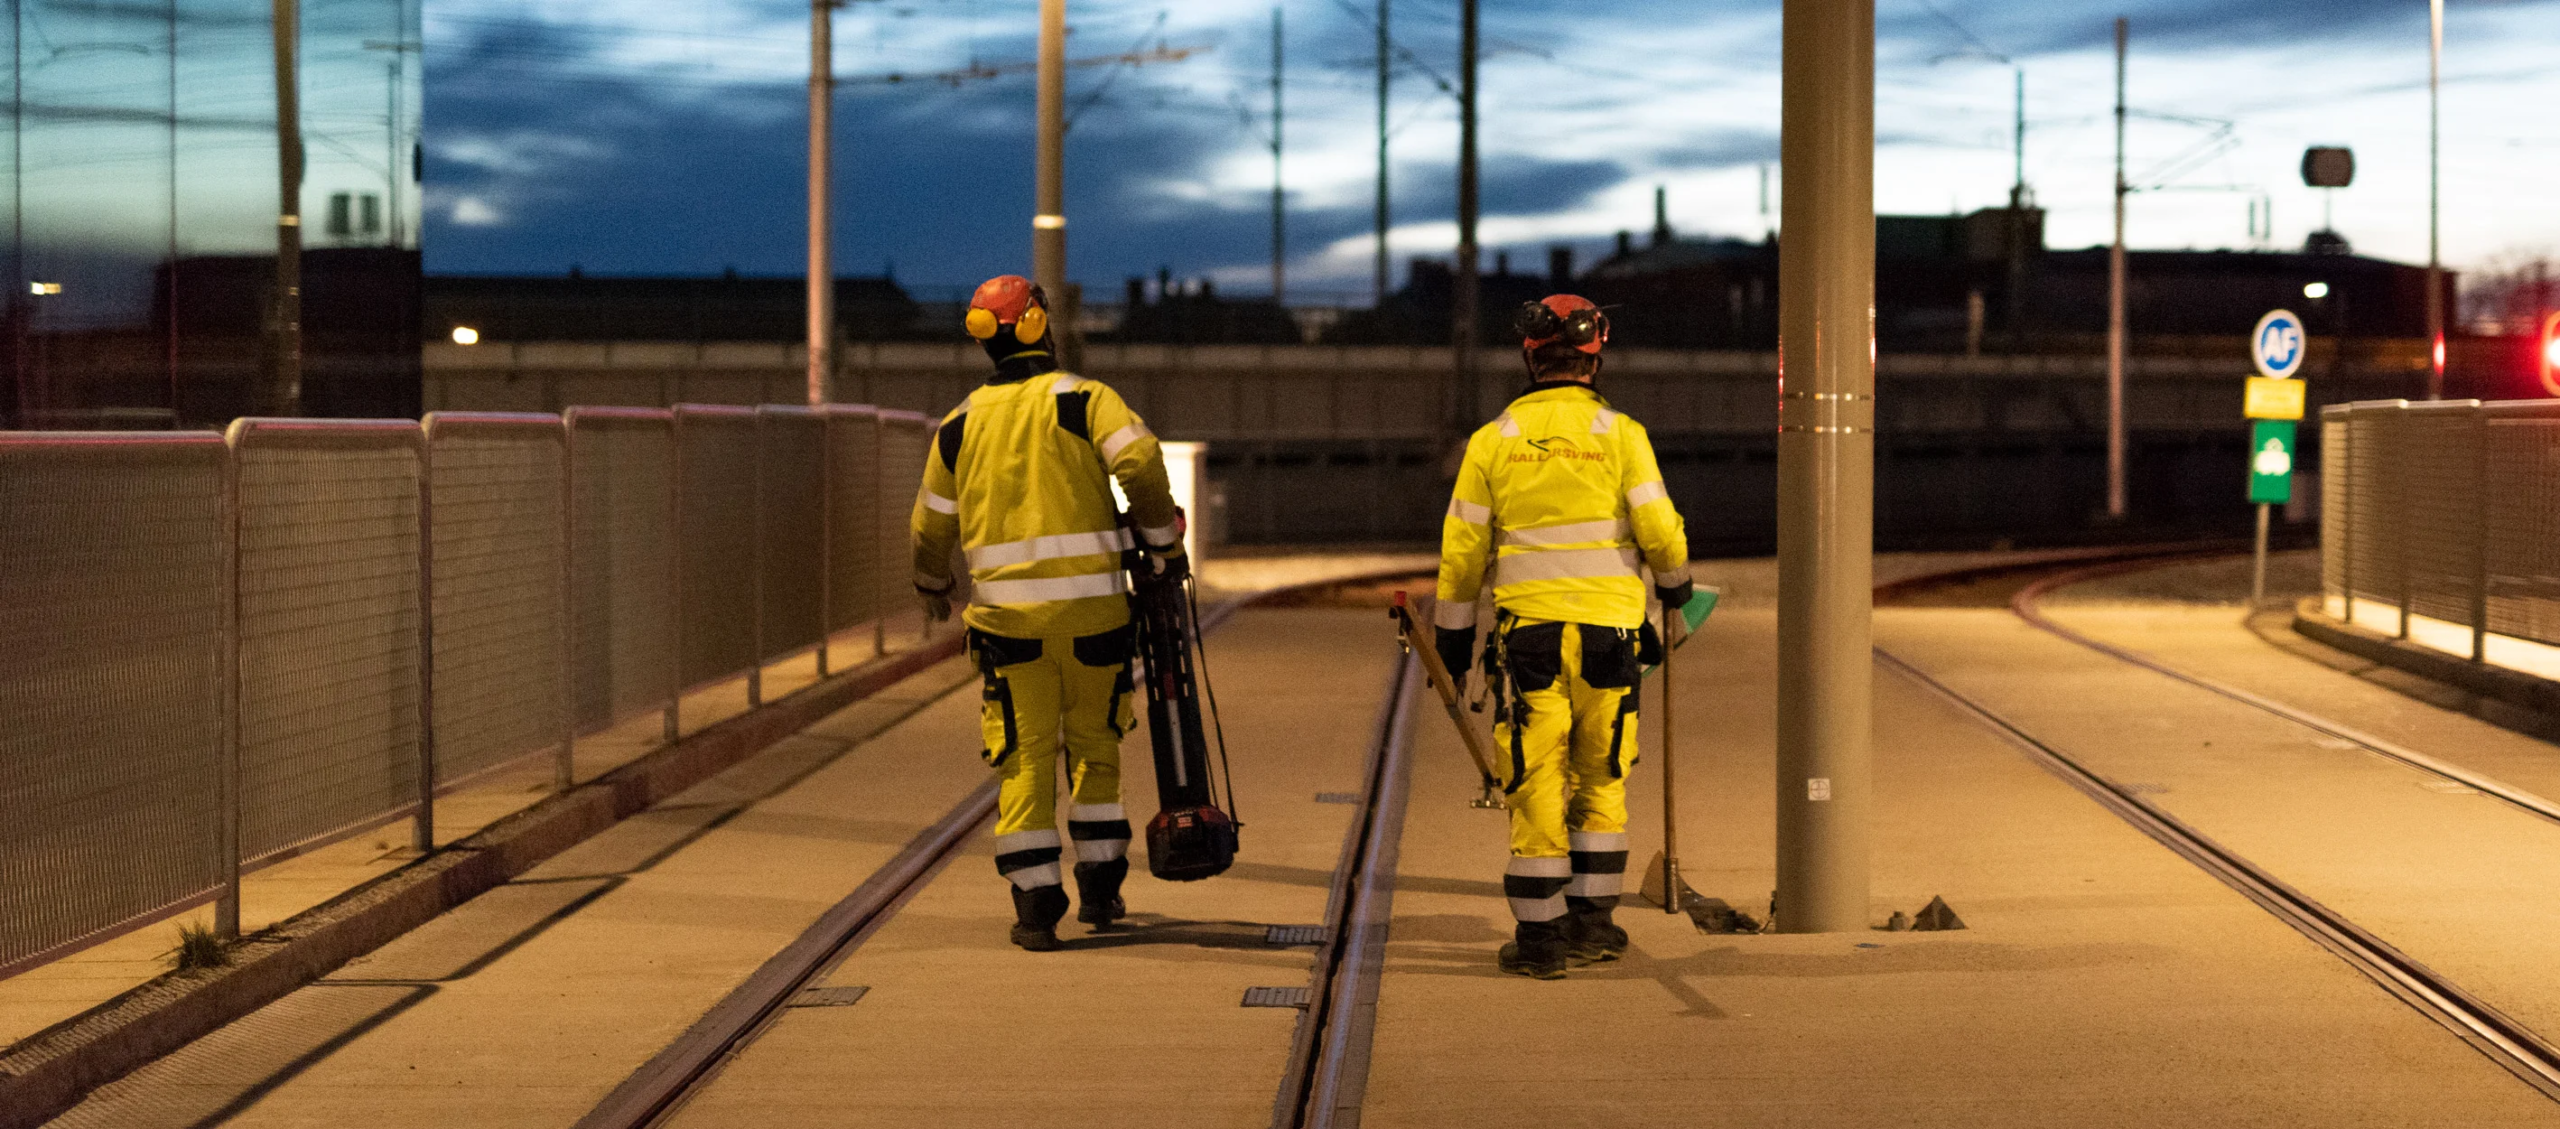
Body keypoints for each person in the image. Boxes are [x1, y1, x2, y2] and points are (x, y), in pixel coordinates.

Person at [911, 274, 1187, 952]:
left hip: (1010, 631)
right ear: (1037, 326)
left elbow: (928, 526)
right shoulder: (1086, 400)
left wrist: (930, 582)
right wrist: (1159, 541)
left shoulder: (959, 425)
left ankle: (1036, 902)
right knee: (1096, 745)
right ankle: (1101, 883)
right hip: (1096, 619)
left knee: (1025, 756)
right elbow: (1143, 464)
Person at [1431, 294, 1692, 980]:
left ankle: (1541, 939)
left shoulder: (1494, 440)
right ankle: (1595, 927)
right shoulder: (1622, 433)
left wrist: (1452, 642)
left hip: (1530, 640)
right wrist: (1676, 586)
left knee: (1535, 775)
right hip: (1611, 633)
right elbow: (1659, 528)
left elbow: (1462, 554)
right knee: (1603, 770)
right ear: (1594, 357)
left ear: (1530, 356)